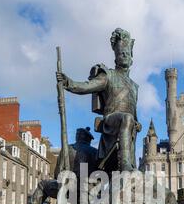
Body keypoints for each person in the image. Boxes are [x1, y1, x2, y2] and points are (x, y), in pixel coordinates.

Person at [56, 28, 141, 173]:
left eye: (127, 53)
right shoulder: (108, 75)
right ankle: (125, 165)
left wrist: (137, 123)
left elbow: (133, 112)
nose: (125, 55)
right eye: (121, 53)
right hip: (110, 123)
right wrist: (69, 82)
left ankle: (129, 164)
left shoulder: (134, 86)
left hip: (127, 129)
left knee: (129, 119)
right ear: (116, 57)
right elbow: (86, 86)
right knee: (127, 118)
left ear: (132, 56)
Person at [19, 127, 98, 204]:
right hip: (87, 193)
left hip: (68, 190)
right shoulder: (95, 152)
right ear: (89, 140)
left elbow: (57, 174)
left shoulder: (67, 148)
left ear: (78, 137)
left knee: (42, 185)